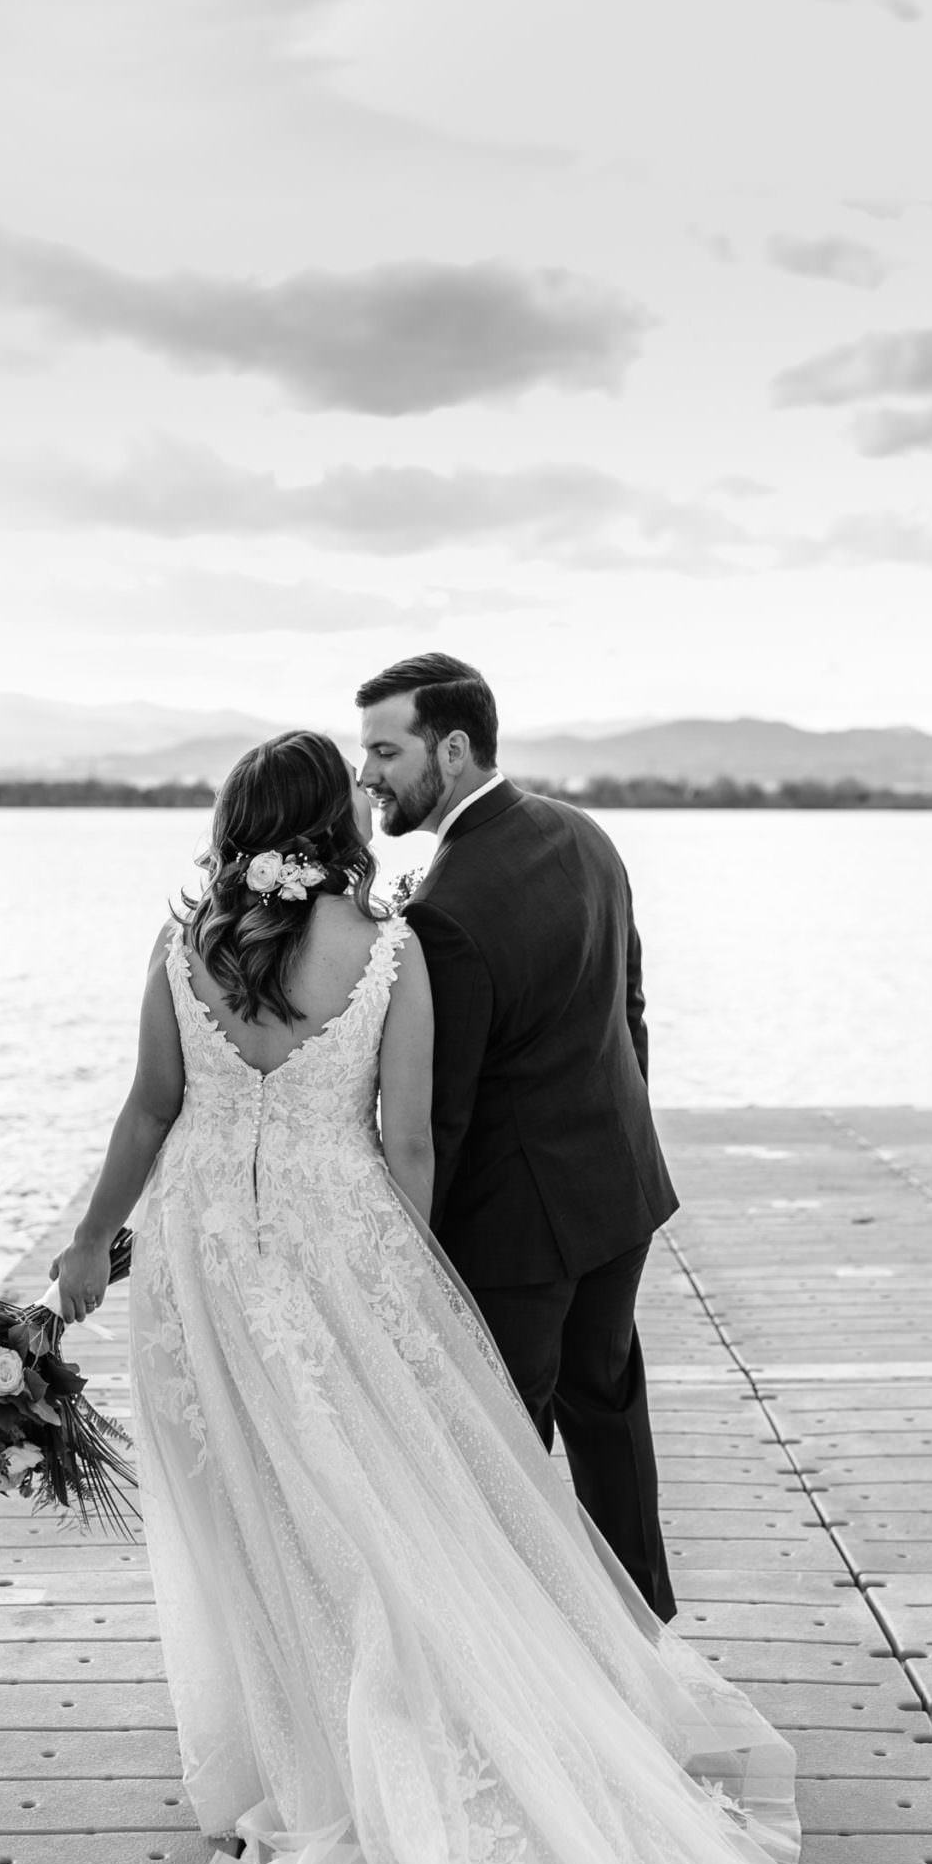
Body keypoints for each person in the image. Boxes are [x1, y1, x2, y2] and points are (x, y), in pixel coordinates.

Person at [52, 727, 932, 1864]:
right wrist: (399, 1286)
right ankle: (371, 1747)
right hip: (342, 1260)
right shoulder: (391, 954)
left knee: (261, 1519)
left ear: (235, 827)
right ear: (334, 827)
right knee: (385, 1516)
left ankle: (307, 1767)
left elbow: (152, 1113)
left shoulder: (183, 952)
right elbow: (404, 1144)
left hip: (206, 1272)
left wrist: (89, 1242)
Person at [356, 656, 676, 1622]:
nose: (366, 773)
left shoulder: (442, 913)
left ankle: (530, 1669)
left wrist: (418, 1253)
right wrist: (616, 1146)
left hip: (514, 1227)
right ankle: (639, 1630)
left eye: (384, 749)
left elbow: (440, 1117)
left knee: (498, 1446)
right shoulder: (584, 834)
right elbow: (630, 1010)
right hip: (617, 1186)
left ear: (451, 750)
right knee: (607, 1401)